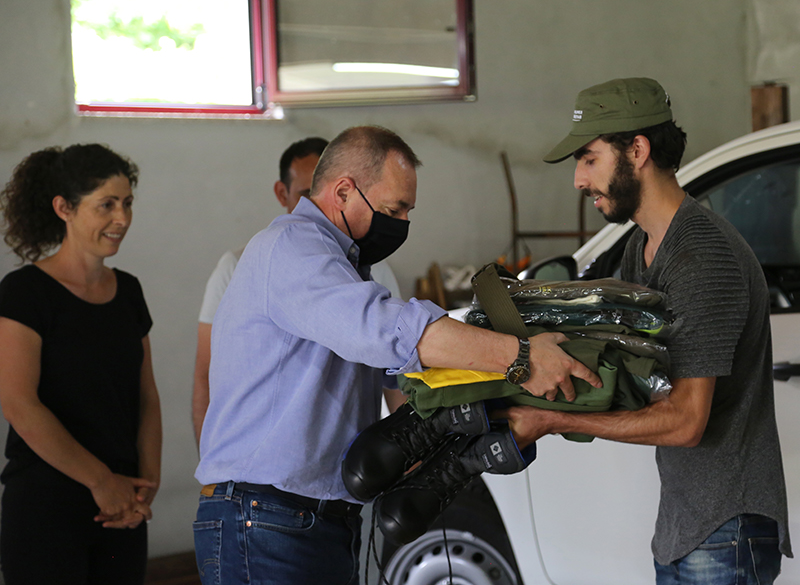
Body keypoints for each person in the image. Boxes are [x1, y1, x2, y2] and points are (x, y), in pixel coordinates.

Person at [193, 125, 602, 585]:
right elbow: (388, 331)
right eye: (394, 209)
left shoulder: (349, 270)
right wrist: (521, 356)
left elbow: (401, 380)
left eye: (408, 210)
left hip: (318, 520)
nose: (403, 223)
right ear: (344, 191)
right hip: (266, 519)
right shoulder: (290, 248)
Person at [502, 77, 792, 584]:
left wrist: (551, 422)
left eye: (588, 159)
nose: (578, 179)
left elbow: (684, 421)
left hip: (725, 531)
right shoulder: (644, 246)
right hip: (685, 528)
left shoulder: (702, 256)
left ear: (636, 150)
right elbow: (629, 369)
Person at [0, 144, 162, 585]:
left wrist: (146, 484)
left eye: (127, 203)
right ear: (64, 208)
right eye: (106, 205)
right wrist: (101, 481)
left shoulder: (128, 291)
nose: (122, 219)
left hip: (123, 507)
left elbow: (147, 397)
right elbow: (18, 403)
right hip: (45, 508)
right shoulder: (24, 292)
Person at [191, 136, 404, 445]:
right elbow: (205, 375)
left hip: (342, 470)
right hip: (262, 476)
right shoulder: (240, 265)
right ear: (282, 193)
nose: (324, 205)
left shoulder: (375, 270)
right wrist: (211, 459)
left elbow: (396, 373)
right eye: (308, 194)